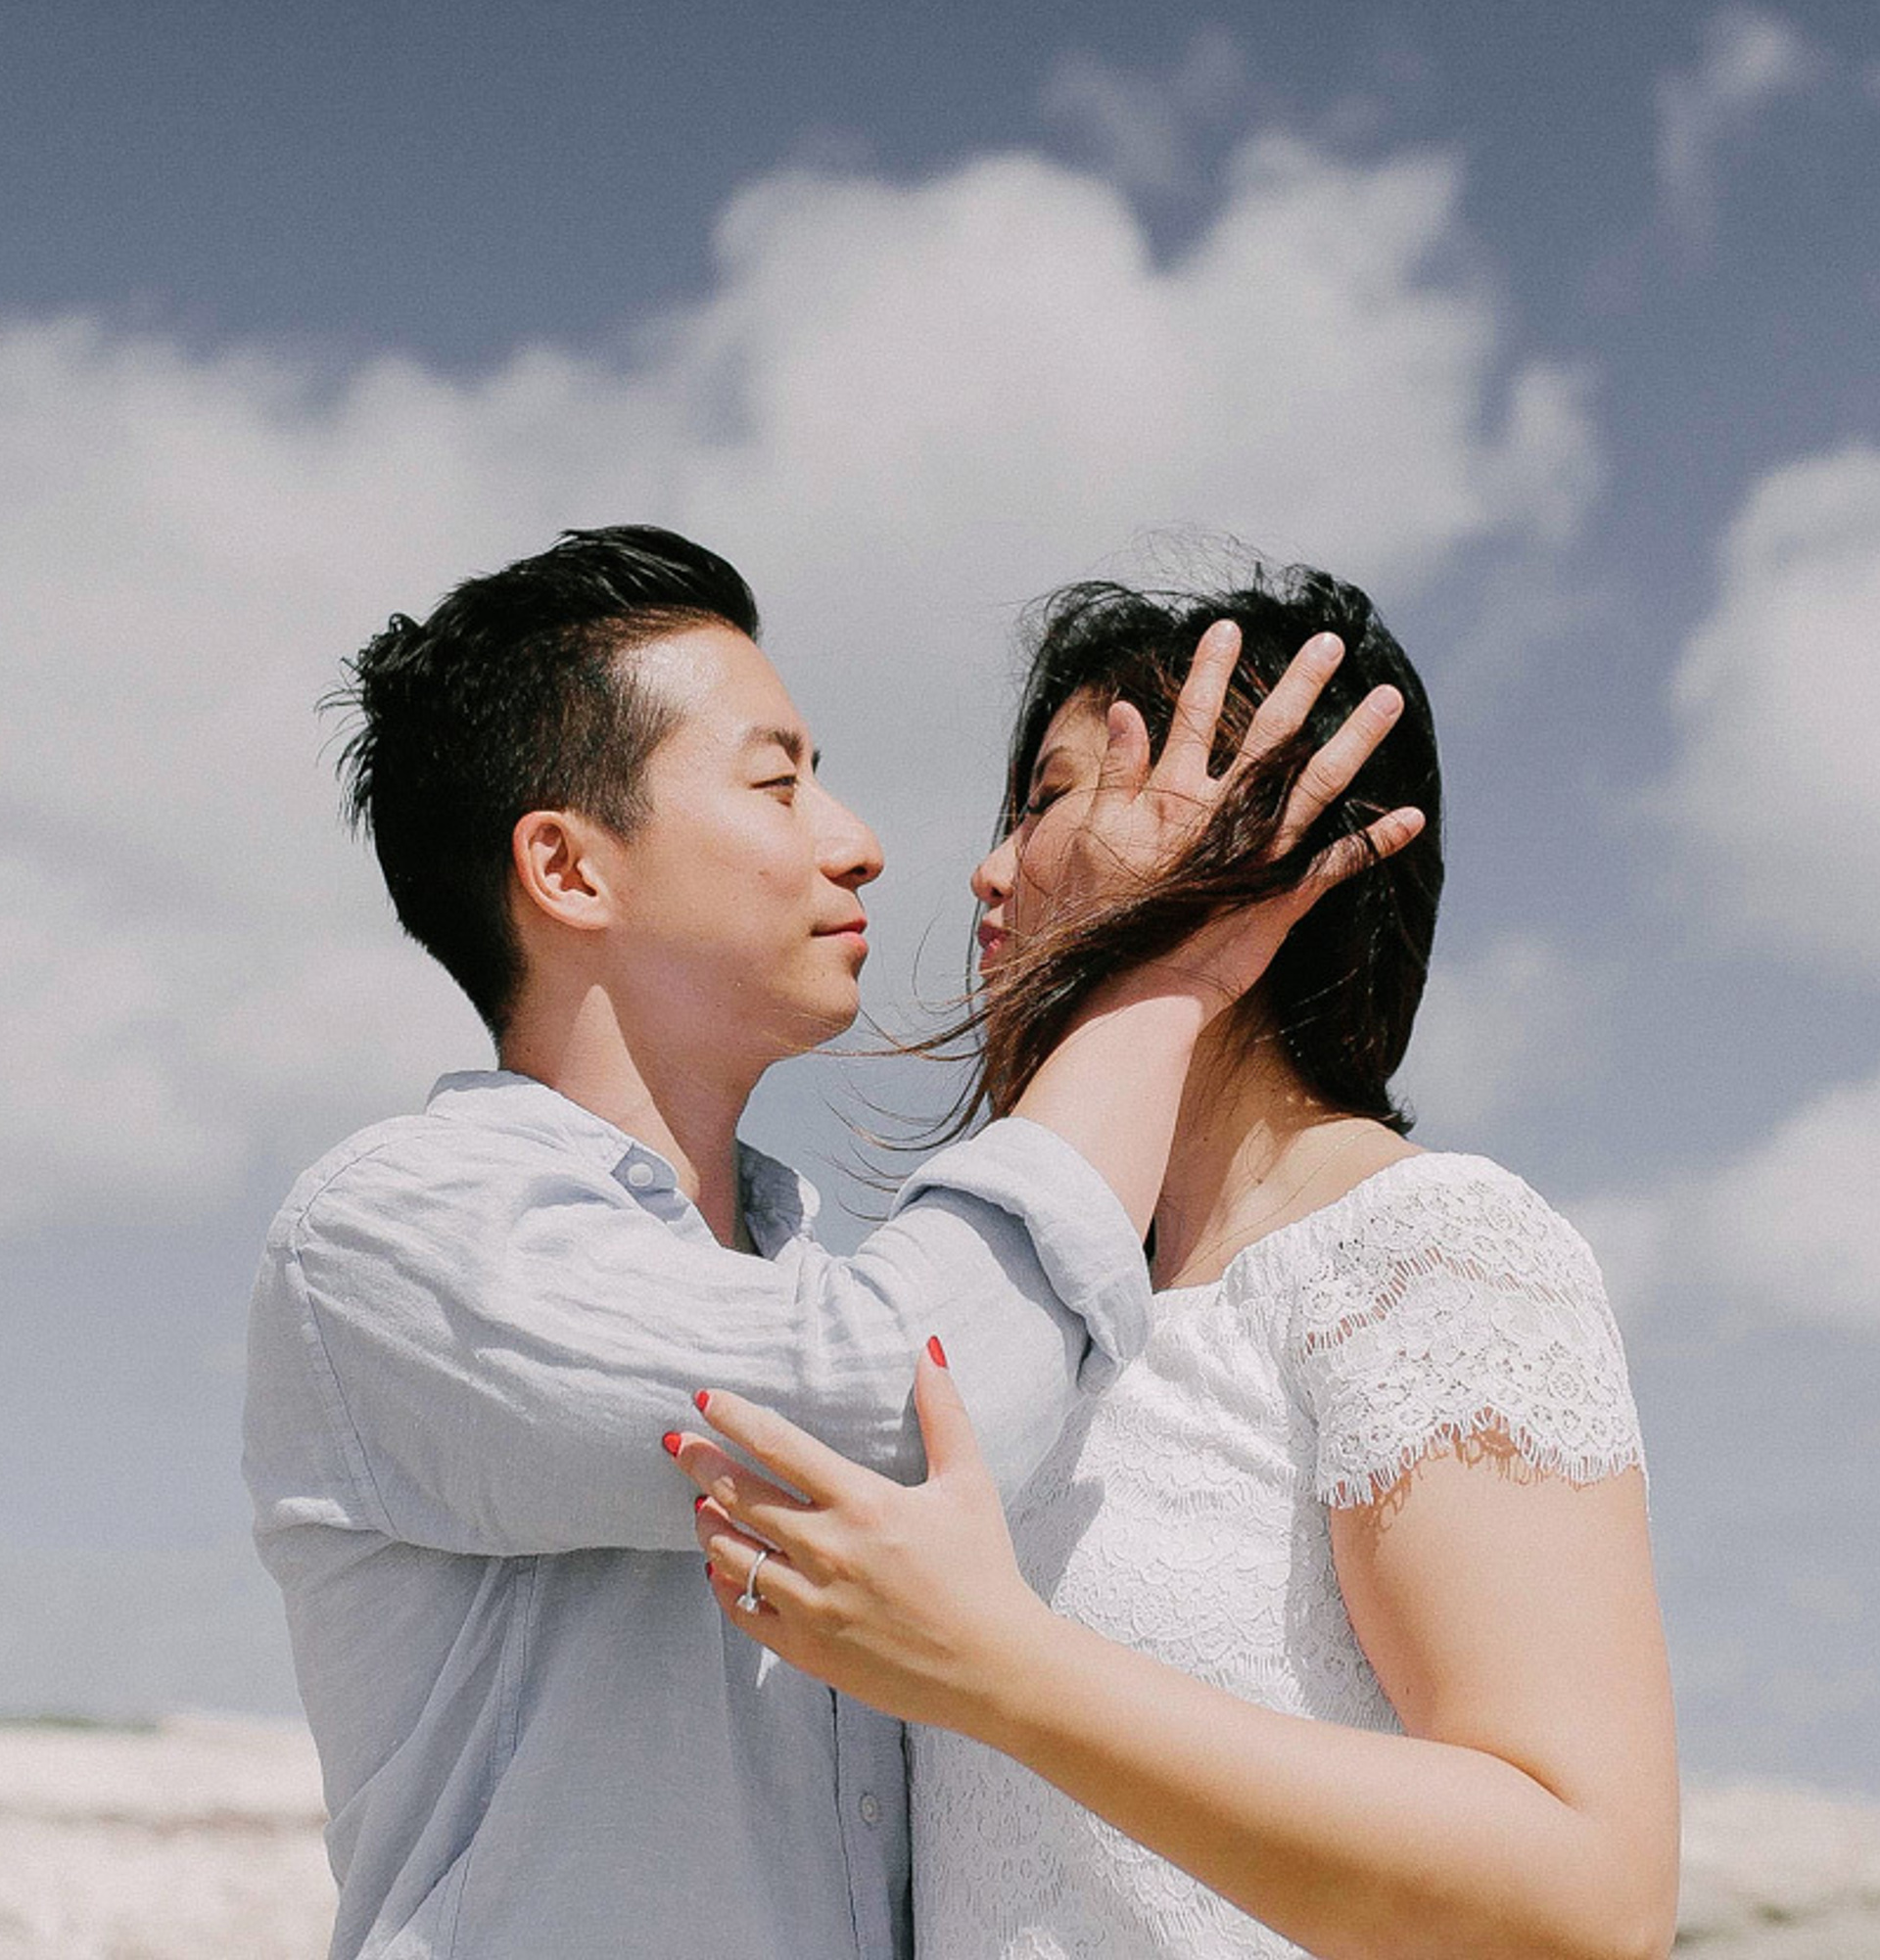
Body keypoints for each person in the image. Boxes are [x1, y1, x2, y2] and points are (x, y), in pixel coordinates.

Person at [242, 527, 1420, 1960]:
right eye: (776, 779)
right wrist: (1161, 974)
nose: (858, 839)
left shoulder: (806, 1266)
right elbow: (894, 1406)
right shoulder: (399, 1236)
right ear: (566, 868)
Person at [675, 562, 1680, 1960]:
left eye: (1048, 802)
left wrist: (1002, 1667)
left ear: (1244, 837)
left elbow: (1591, 1892)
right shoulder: (1048, 1317)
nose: (988, 867)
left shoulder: (1425, 1248)